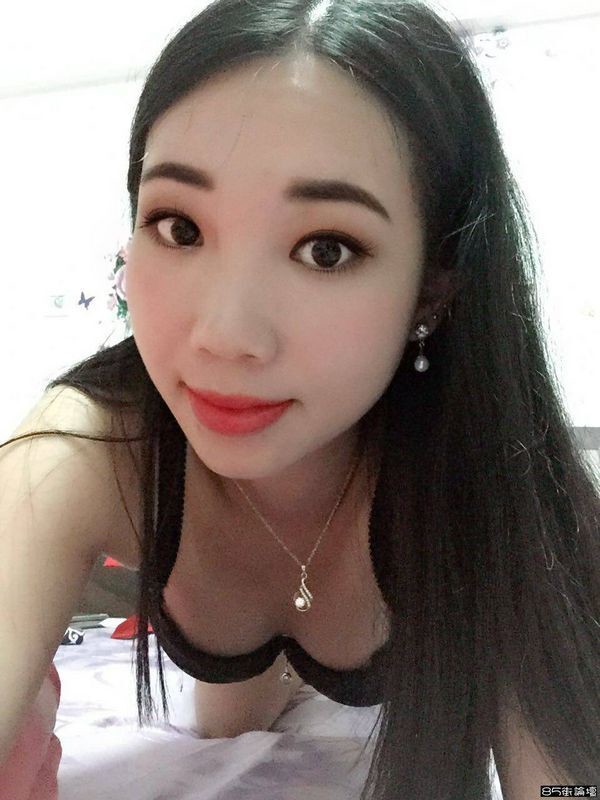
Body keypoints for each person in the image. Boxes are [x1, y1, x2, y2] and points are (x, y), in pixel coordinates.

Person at [1, 1, 599, 798]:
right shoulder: (85, 447)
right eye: (180, 227)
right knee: (226, 724)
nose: (225, 336)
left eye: (326, 249)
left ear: (432, 289)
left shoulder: (502, 483)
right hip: (226, 675)